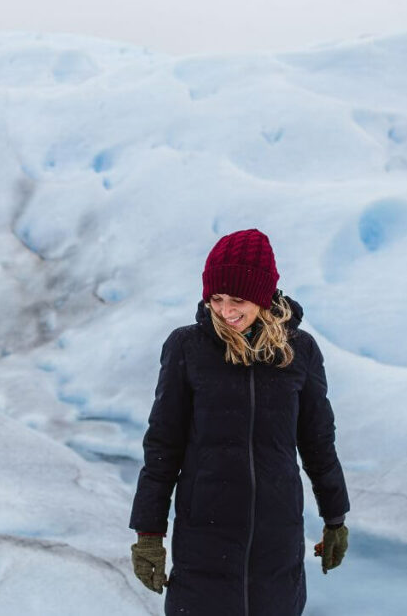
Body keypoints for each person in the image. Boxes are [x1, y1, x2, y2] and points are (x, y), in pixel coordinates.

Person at [129, 228, 350, 616]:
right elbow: (163, 445)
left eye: (237, 300)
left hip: (277, 537)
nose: (225, 310)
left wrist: (335, 518)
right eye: (216, 298)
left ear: (262, 296)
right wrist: (149, 533)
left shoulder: (299, 351)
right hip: (204, 536)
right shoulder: (187, 347)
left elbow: (318, 442)